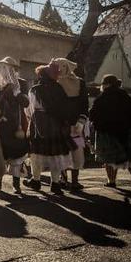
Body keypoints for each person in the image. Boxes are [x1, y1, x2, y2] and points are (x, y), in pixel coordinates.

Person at [24, 61, 73, 195]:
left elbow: (29, 110)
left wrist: (33, 120)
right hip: (56, 123)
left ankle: (36, 180)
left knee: (36, 154)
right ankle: (55, 184)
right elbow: (65, 107)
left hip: (39, 122)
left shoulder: (35, 89)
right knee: (55, 154)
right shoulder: (59, 88)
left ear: (41, 75)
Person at [0, 57, 30, 194]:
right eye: (1, 68)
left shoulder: (21, 83)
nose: (3, 70)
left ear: (13, 69)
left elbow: (26, 103)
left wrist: (17, 93)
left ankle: (16, 185)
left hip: (16, 126)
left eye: (6, 67)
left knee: (16, 155)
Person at [51, 58, 89, 191]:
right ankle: (63, 179)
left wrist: (81, 121)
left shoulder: (80, 82)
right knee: (62, 152)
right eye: (58, 67)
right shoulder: (54, 84)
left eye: (63, 67)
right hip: (60, 125)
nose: (61, 70)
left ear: (68, 67)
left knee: (78, 152)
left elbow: (85, 104)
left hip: (76, 125)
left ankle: (75, 181)